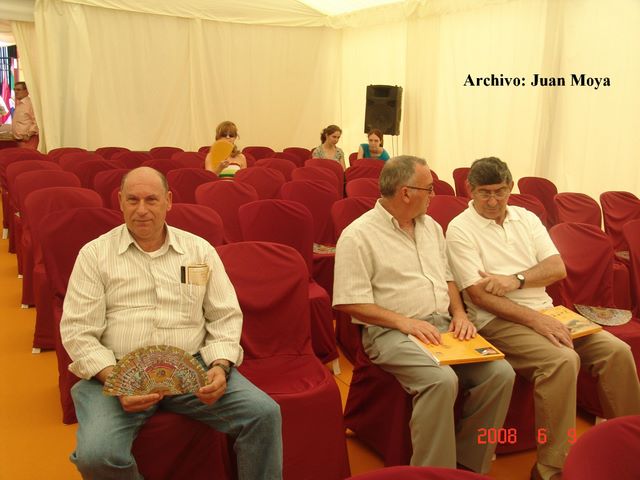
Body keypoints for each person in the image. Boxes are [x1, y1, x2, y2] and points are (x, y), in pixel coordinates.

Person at [59, 166, 283, 480]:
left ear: (168, 201)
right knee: (97, 456)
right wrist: (118, 380)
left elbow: (224, 315)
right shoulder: (95, 255)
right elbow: (78, 331)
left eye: (151, 200)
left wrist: (220, 365)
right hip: (117, 369)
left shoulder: (198, 251)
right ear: (120, 201)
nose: (141, 210)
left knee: (264, 414)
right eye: (133, 200)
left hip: (192, 366)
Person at [446, 157, 640, 480]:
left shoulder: (526, 218)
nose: (492, 201)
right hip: (495, 320)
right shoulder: (460, 229)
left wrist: (516, 280)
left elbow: (556, 268)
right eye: (484, 193)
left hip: (546, 310)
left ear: (511, 187)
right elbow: (479, 296)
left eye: (499, 191)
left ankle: (632, 446)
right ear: (470, 190)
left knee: (617, 352)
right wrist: (536, 320)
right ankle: (552, 468)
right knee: (562, 360)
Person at [333, 155, 515, 473]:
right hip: (389, 332)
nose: (434, 195)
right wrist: (404, 322)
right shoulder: (358, 235)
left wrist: (460, 315)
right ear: (406, 192)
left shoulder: (431, 227)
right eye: (429, 188)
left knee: (501, 374)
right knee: (440, 380)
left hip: (441, 325)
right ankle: (432, 473)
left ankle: (470, 466)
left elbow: (448, 279)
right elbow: (349, 302)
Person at [11, 81, 39, 149]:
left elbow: (37, 121)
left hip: (28, 140)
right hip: (19, 140)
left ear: (26, 91)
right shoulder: (20, 104)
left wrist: (28, 134)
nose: (16, 92)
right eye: (15, 89)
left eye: (18, 90)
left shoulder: (30, 104)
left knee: (28, 155)